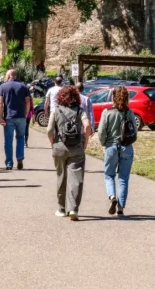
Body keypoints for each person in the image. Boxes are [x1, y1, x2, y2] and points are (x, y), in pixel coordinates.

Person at [47, 85, 91, 220]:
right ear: (76, 98)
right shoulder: (80, 110)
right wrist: (85, 143)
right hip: (76, 147)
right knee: (76, 178)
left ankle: (61, 208)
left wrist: (52, 142)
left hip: (59, 146)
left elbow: (49, 130)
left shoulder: (56, 110)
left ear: (61, 97)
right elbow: (87, 125)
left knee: (61, 176)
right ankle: (73, 209)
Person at [97, 85, 136, 216]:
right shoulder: (129, 112)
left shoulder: (107, 112)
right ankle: (120, 208)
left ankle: (112, 196)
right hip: (126, 147)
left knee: (109, 175)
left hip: (111, 147)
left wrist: (104, 143)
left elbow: (101, 132)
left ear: (113, 97)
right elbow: (134, 133)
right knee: (123, 179)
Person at [0, 69, 32, 170]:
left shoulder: (2, 87)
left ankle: (9, 163)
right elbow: (28, 101)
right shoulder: (23, 86)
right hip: (21, 116)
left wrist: (0, 117)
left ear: (8, 76)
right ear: (15, 76)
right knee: (20, 137)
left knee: (8, 140)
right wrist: (26, 113)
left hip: (9, 117)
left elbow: (0, 103)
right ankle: (20, 158)